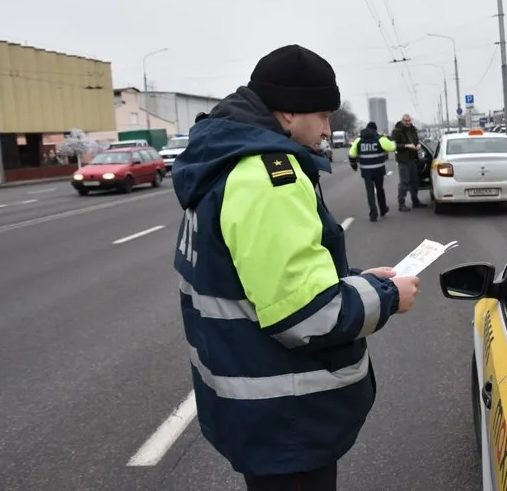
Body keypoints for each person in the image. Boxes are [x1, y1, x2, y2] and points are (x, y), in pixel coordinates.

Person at [171, 44, 421, 491]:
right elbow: (305, 314)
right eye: (322, 114)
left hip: (252, 398)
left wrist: (359, 281)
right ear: (286, 114)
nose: (328, 127)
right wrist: (388, 298)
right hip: (285, 412)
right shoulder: (269, 176)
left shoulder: (224, 162)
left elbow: (266, 280)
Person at [348, 121, 396, 222]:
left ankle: (373, 214)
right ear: (375, 129)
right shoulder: (380, 139)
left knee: (370, 192)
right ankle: (383, 209)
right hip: (378, 170)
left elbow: (351, 154)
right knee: (380, 190)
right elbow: (392, 147)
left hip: (366, 172)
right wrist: (388, 137)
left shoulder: (359, 140)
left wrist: (354, 165)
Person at [390, 114, 424, 211]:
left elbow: (416, 140)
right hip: (403, 159)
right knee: (404, 182)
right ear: (402, 121)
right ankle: (401, 203)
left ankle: (415, 201)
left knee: (414, 181)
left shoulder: (413, 129)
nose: (408, 123)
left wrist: (418, 145)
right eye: (406, 121)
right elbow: (394, 146)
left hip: (413, 158)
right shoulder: (397, 131)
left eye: (409, 120)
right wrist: (406, 146)